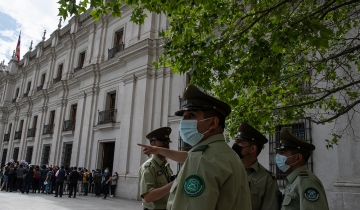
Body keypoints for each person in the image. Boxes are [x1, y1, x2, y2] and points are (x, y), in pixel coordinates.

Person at [160, 84, 252, 209]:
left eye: (191, 115)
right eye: (184, 117)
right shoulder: (230, 155)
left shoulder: (201, 158)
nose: (183, 122)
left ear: (213, 123)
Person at [275, 128, 329, 210]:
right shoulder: (294, 180)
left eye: (283, 153)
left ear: (298, 157)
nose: (279, 157)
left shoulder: (306, 181)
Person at [231, 122, 280, 210]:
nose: (235, 146)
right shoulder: (227, 170)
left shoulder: (266, 179)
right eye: (236, 142)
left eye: (240, 142)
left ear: (252, 148)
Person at [138, 127, 174, 210]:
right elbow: (148, 197)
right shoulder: (148, 167)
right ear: (152, 145)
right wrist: (174, 184)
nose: (166, 147)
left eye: (167, 143)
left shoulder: (165, 165)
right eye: (163, 143)